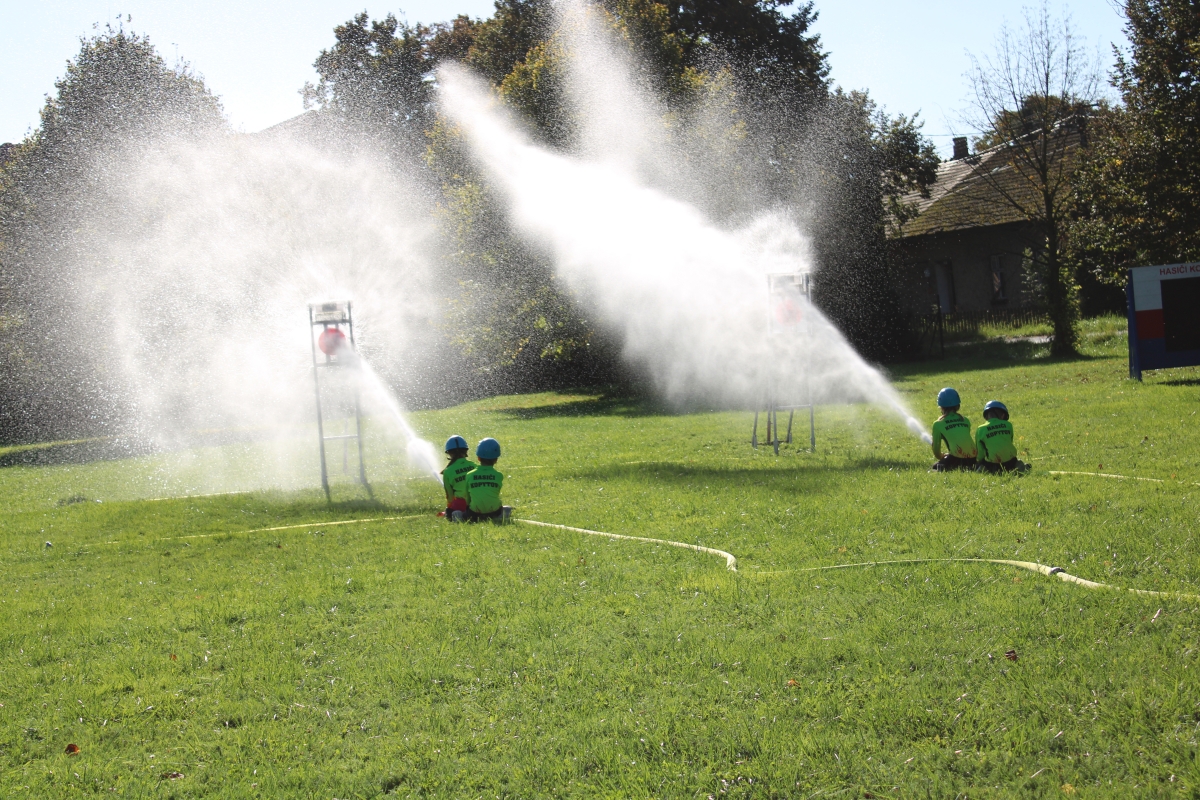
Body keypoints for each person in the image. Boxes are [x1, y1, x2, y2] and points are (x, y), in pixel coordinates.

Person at [975, 400, 1030, 474]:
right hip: (1011, 462)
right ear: (1002, 415)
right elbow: (1008, 442)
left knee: (981, 467)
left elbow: (980, 452)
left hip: (993, 465)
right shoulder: (1008, 425)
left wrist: (979, 461)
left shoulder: (980, 429)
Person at [930, 387, 977, 471]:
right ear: (958, 405)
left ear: (941, 406)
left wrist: (942, 456)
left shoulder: (938, 424)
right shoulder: (965, 420)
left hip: (957, 458)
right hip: (974, 458)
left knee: (935, 467)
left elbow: (936, 450)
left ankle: (959, 467)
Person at [464, 437, 509, 523]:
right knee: (507, 509)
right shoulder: (499, 475)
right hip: (494, 512)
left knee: (457, 513)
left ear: (478, 458)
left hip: (474, 513)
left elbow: (468, 498)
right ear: (496, 460)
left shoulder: (469, 475)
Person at [440, 435, 476, 521]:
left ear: (449, 453)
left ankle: (458, 515)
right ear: (466, 450)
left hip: (461, 504)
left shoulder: (447, 471)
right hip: (476, 502)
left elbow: (450, 495)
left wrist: (450, 508)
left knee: (449, 512)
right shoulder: (474, 466)